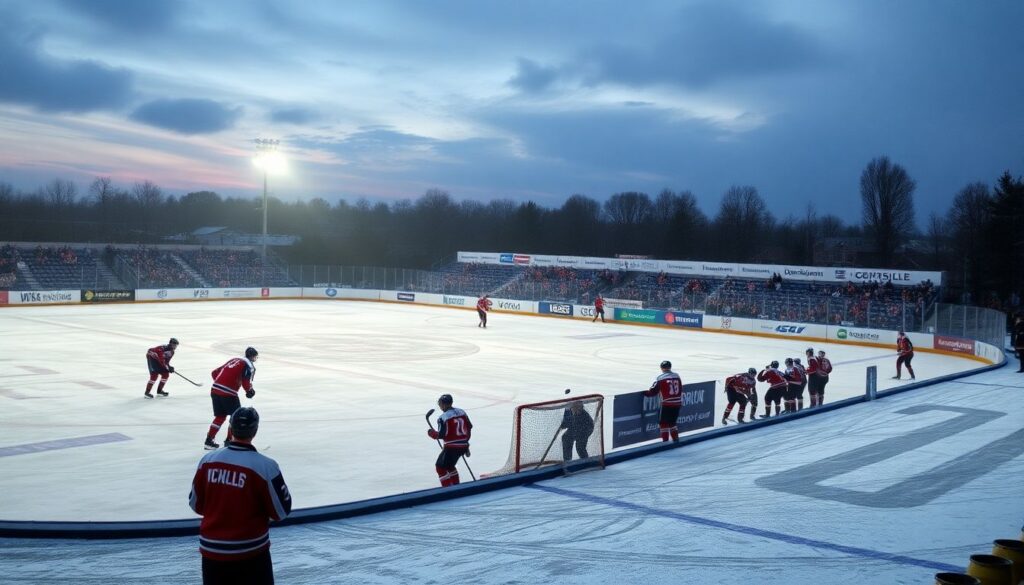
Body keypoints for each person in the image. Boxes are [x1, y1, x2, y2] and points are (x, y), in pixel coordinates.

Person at [189, 407, 292, 585]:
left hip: (212, 551)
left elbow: (195, 504)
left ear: (230, 428)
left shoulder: (208, 461)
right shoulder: (266, 466)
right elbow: (281, 511)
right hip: (251, 551)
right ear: (255, 431)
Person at [205, 347, 258, 450]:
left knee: (220, 417)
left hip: (215, 390)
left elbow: (214, 372)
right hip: (228, 393)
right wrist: (249, 391)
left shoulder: (234, 360)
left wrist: (221, 382)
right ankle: (230, 441)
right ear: (253, 357)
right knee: (235, 417)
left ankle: (209, 441)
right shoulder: (248, 365)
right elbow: (246, 382)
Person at [428, 394, 472, 487]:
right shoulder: (462, 412)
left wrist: (432, 433)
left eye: (440, 404)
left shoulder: (443, 417)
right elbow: (469, 427)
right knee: (450, 466)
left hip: (451, 448)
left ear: (443, 404)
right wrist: (465, 442)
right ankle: (456, 487)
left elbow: (441, 435)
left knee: (440, 467)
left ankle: (448, 489)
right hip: (464, 446)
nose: (440, 406)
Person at [644, 360, 683, 442]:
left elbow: (653, 391)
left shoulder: (660, 377)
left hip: (667, 403)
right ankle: (676, 439)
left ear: (661, 368)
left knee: (663, 423)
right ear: (670, 367)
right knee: (672, 422)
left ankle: (665, 442)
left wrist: (646, 393)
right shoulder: (677, 376)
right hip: (677, 402)